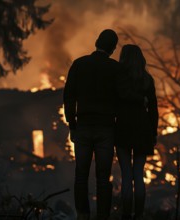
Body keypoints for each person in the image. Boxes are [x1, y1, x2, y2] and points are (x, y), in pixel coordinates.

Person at [63, 30, 144, 220]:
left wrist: (72, 124)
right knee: (103, 178)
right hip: (106, 128)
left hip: (82, 127)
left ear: (96, 42)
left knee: (81, 176)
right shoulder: (115, 69)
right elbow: (124, 95)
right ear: (113, 48)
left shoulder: (79, 64)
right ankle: (102, 216)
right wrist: (142, 99)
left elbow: (68, 96)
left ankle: (82, 215)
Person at [115, 44, 159, 220]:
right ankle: (139, 215)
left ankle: (126, 214)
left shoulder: (119, 79)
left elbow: (115, 103)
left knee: (126, 174)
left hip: (123, 129)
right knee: (138, 175)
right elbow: (154, 110)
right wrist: (153, 132)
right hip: (142, 130)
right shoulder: (147, 80)